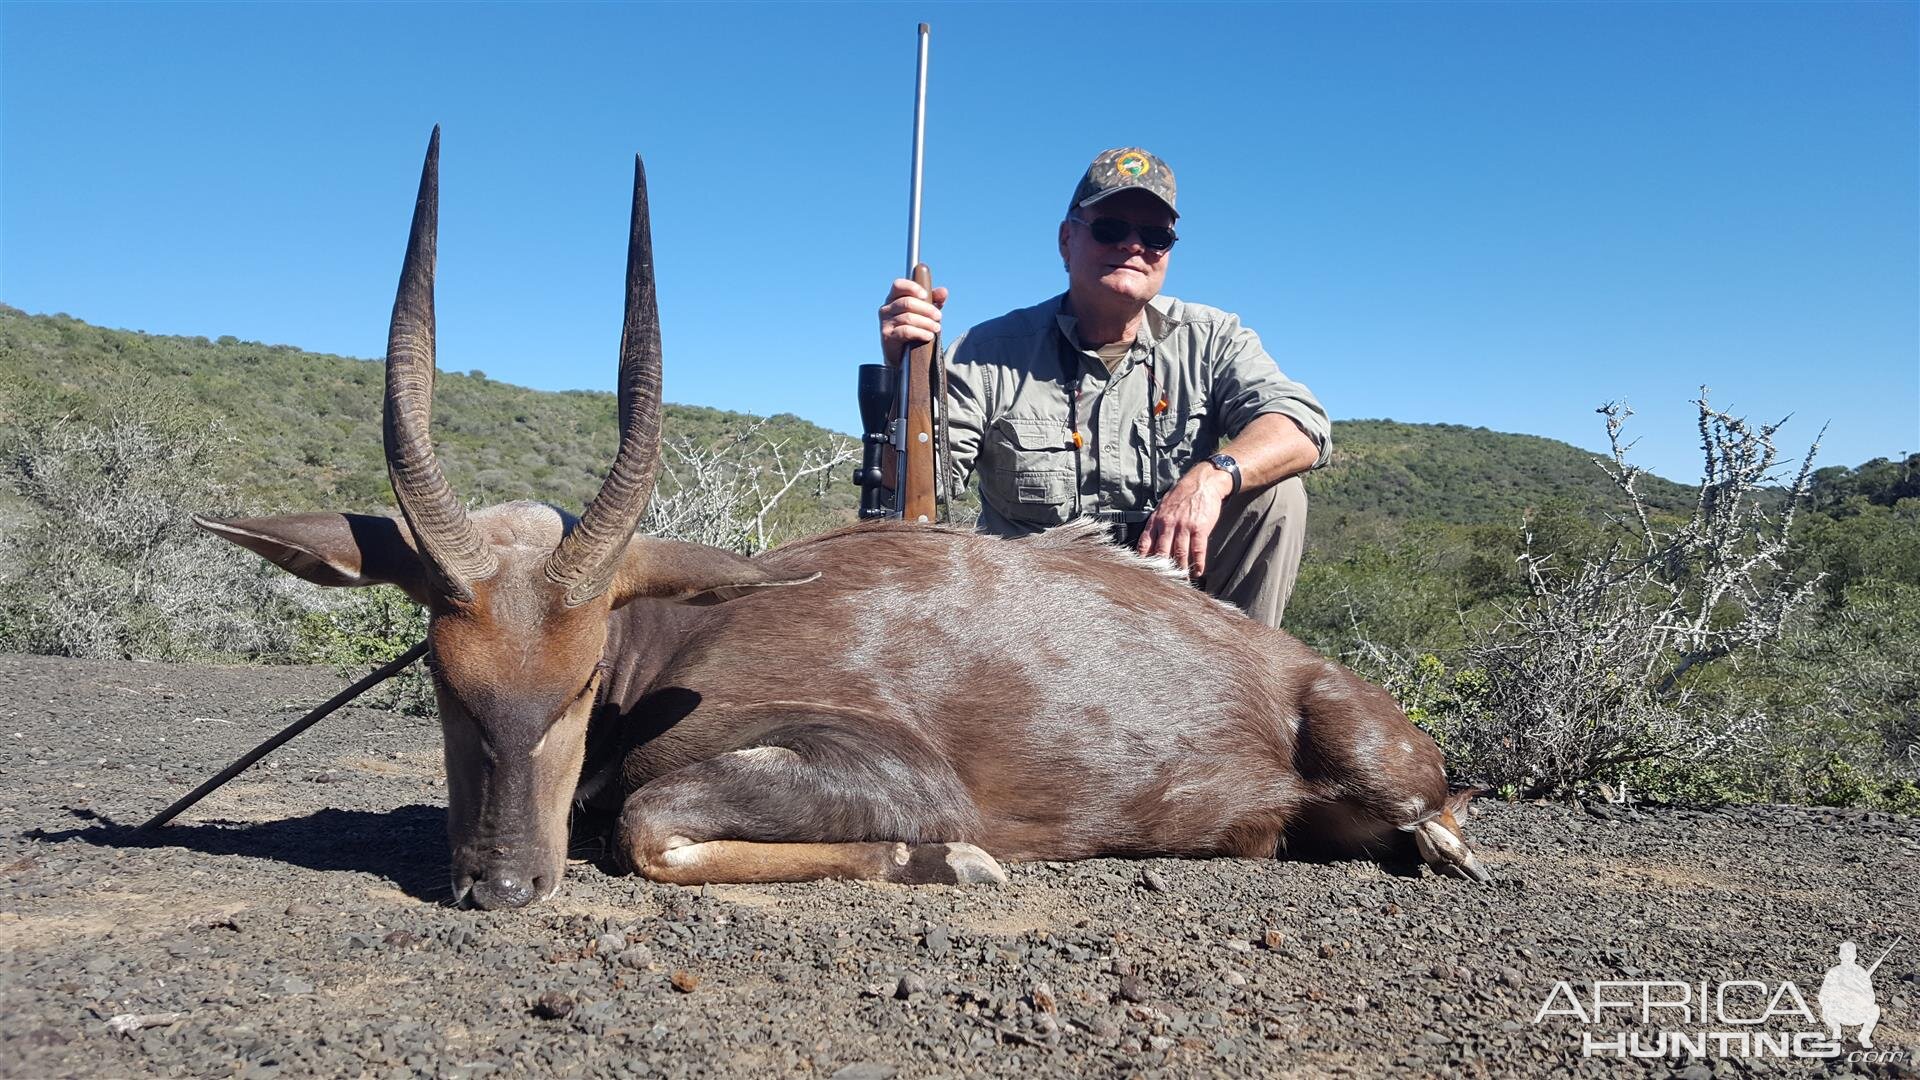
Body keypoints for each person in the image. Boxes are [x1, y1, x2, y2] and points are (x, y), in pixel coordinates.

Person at [877, 147, 1331, 628]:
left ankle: (1242, 686)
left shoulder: (1212, 337)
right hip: (1033, 611)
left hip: (1175, 593)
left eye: (1156, 236)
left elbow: (1300, 425)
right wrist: (905, 378)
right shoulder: (987, 351)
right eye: (1111, 228)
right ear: (1066, 239)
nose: (1133, 246)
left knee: (1277, 496)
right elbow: (914, 488)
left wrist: (1210, 479)